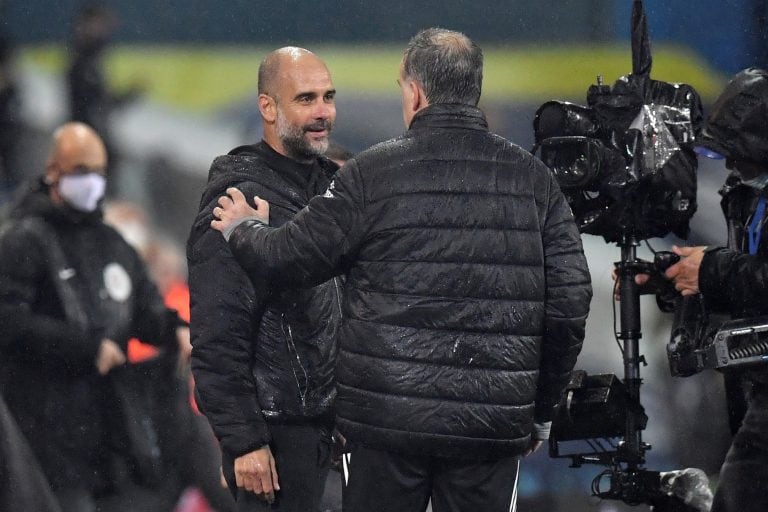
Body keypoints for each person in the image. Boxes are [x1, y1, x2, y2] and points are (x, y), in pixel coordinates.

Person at [209, 28, 592, 512]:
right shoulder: (535, 181)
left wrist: (244, 230)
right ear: (474, 87)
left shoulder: (371, 174)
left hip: (384, 426)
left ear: (415, 91)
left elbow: (289, 258)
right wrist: (538, 410)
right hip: (489, 426)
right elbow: (570, 302)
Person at [0, 122, 188, 512]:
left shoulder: (113, 245)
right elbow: (8, 322)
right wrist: (84, 348)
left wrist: (178, 332)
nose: (92, 182)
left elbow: (144, 314)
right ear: (52, 170)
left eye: (99, 172)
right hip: (42, 429)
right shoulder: (24, 242)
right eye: (81, 171)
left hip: (106, 431)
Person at [187, 46, 342, 511]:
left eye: (328, 97)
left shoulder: (335, 188)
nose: (323, 113)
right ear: (268, 107)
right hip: (277, 436)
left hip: (333, 426)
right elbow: (218, 334)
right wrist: (244, 440)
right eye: (306, 99)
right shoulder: (237, 198)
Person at [655, 67, 768, 512]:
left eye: (741, 154)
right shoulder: (750, 198)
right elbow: (751, 284)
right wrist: (678, 278)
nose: (733, 166)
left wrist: (712, 269)